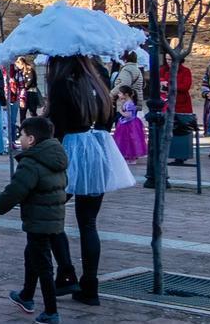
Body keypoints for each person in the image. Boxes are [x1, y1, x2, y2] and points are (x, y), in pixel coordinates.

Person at [44, 54, 135, 306]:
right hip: (99, 149)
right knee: (88, 223)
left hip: (71, 151)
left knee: (49, 212)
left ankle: (66, 270)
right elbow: (109, 119)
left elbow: (57, 126)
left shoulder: (62, 83)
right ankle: (90, 286)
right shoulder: (100, 81)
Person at [0, 117, 69, 324]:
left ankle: (51, 312)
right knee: (32, 255)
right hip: (53, 218)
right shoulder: (57, 157)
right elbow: (65, 185)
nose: (20, 139)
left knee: (43, 264)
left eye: (22, 135)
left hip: (38, 220)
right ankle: (26, 295)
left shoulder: (31, 162)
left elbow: (15, 190)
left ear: (32, 139)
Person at [111, 86, 147, 165]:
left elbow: (129, 115)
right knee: (127, 140)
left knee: (129, 140)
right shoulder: (127, 102)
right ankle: (129, 156)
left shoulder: (129, 104)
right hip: (126, 123)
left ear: (126, 94)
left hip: (129, 124)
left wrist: (120, 111)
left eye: (120, 93)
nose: (119, 95)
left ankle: (131, 157)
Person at [12, 56, 41, 125]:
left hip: (30, 93)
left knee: (32, 112)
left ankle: (36, 126)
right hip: (22, 94)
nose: (17, 66)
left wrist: (23, 86)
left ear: (21, 63)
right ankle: (23, 128)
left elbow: (29, 82)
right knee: (22, 113)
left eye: (17, 64)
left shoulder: (29, 69)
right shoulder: (19, 72)